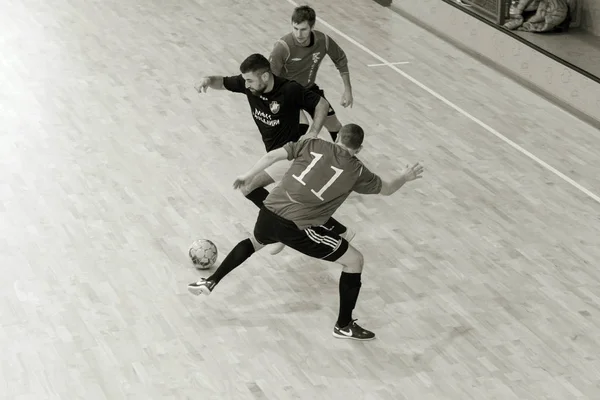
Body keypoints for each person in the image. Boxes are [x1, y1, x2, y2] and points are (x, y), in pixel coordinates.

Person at [188, 123, 424, 341]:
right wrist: (405, 176)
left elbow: (272, 156)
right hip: (296, 227)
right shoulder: (358, 171)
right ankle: (343, 325)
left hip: (269, 211)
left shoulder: (312, 143)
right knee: (355, 261)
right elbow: (389, 189)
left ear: (338, 137)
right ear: (359, 148)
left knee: (255, 242)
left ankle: (210, 280)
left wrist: (247, 175)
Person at [194, 53, 353, 253]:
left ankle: (284, 230)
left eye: (250, 80)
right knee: (293, 202)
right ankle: (340, 232)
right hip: (278, 151)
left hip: (293, 150)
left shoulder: (289, 89)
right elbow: (223, 82)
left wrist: (313, 132)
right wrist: (207, 80)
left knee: (249, 187)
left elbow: (321, 104)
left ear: (266, 77)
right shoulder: (248, 84)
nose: (247, 85)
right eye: (245, 80)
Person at [269, 5, 354, 143]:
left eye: (303, 30)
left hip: (308, 89)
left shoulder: (323, 41)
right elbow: (271, 79)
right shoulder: (282, 47)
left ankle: (342, 158)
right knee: (302, 126)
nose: (298, 34)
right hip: (286, 93)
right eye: (295, 29)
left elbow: (340, 59)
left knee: (336, 128)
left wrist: (348, 90)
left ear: (312, 27)